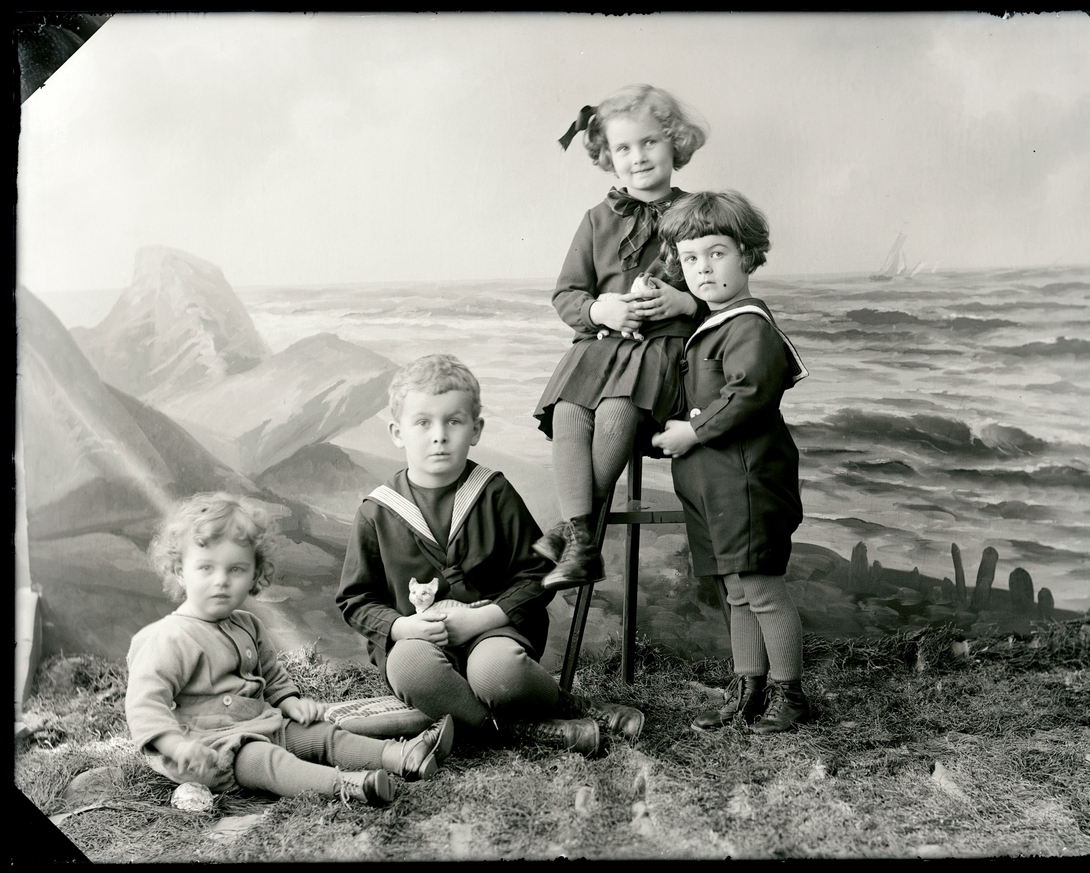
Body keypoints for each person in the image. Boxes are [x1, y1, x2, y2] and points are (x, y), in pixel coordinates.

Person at [337, 354, 645, 756]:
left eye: (454, 421)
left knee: (498, 673)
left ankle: (568, 706)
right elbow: (356, 599)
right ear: (397, 433)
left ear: (476, 430)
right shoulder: (376, 511)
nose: (439, 436)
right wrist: (400, 627)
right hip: (420, 642)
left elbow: (538, 575)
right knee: (410, 668)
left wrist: (485, 618)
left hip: (493, 634)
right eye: (423, 422)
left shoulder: (492, 492)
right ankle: (518, 731)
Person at [125, 492, 453, 808]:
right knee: (269, 761)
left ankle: (401, 755)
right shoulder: (168, 638)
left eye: (236, 569)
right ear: (180, 572)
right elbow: (145, 703)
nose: (221, 580)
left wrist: (290, 703)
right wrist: (175, 745)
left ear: (254, 574)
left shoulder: (248, 625)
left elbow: (272, 676)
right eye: (206, 568)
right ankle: (346, 785)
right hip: (209, 750)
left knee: (322, 735)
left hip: (263, 726)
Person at [533, 84, 710, 591]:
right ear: (608, 156)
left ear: (675, 142)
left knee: (615, 411)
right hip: (601, 347)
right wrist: (599, 308)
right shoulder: (596, 219)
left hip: (662, 353)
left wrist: (686, 304)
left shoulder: (701, 213)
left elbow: (728, 292)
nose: (638, 157)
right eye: (624, 148)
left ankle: (570, 534)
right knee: (569, 410)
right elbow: (567, 294)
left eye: (650, 142)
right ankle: (582, 543)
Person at [651, 191, 812, 734]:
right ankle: (749, 688)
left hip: (746, 479)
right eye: (690, 258)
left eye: (716, 254)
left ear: (747, 255)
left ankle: (789, 694)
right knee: (737, 590)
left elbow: (750, 394)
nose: (703, 268)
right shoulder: (714, 322)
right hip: (715, 483)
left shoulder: (748, 325)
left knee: (761, 588)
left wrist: (691, 431)